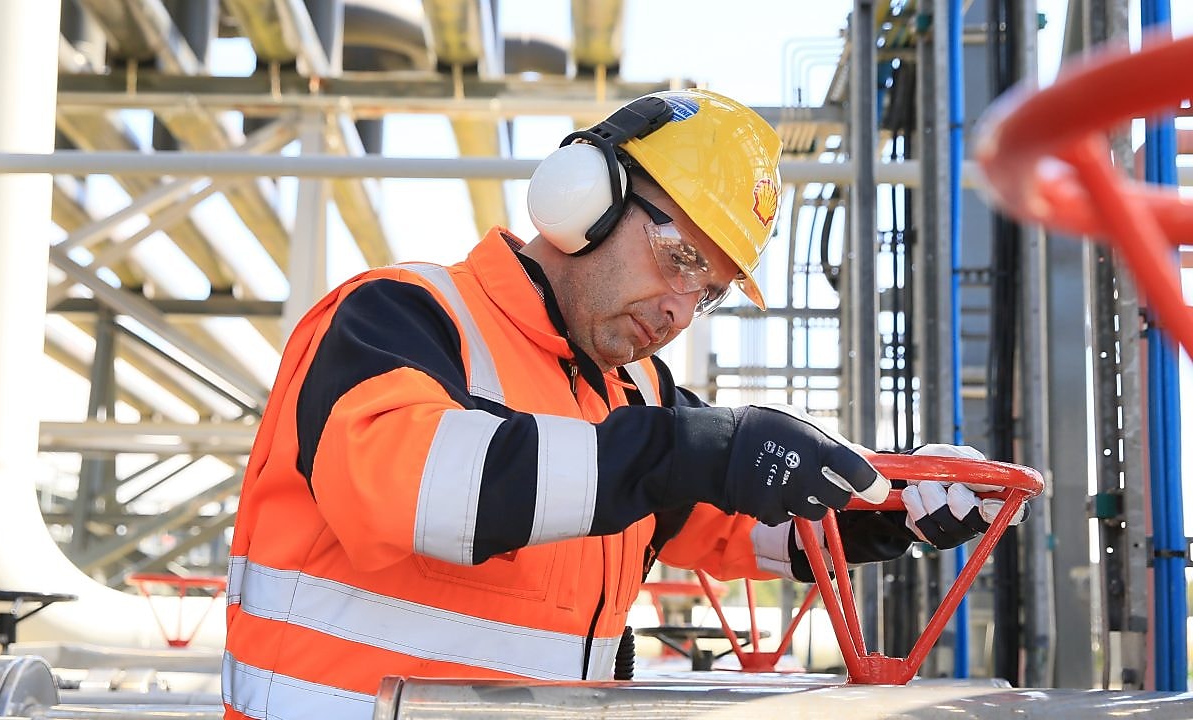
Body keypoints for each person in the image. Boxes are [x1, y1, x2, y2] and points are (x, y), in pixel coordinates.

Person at [222, 89, 1020, 720]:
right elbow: (407, 491)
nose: (679, 311)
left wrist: (887, 508)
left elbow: (739, 516)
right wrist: (685, 449)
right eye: (678, 258)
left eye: (706, 293)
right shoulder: (404, 316)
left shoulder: (633, 396)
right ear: (584, 199)